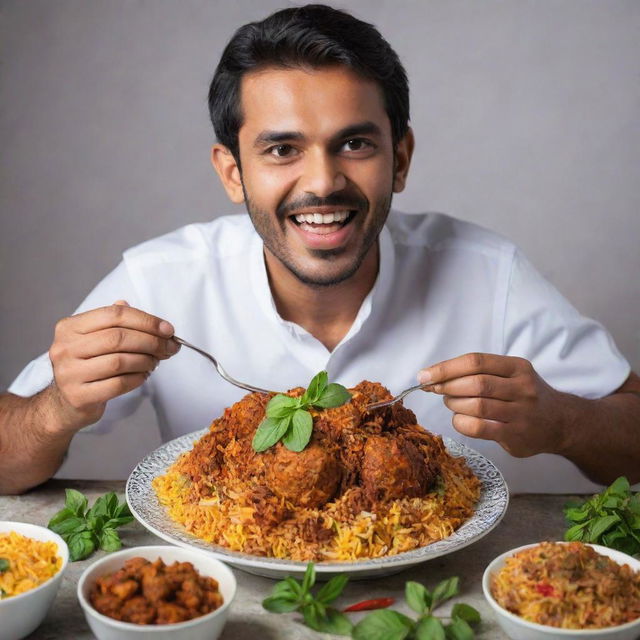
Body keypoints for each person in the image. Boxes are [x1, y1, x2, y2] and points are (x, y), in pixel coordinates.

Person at [1, 4, 638, 496]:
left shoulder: (489, 273)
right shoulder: (160, 279)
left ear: (401, 158)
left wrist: (562, 422)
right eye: (282, 150)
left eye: (355, 144)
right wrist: (56, 407)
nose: (323, 181)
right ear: (232, 172)